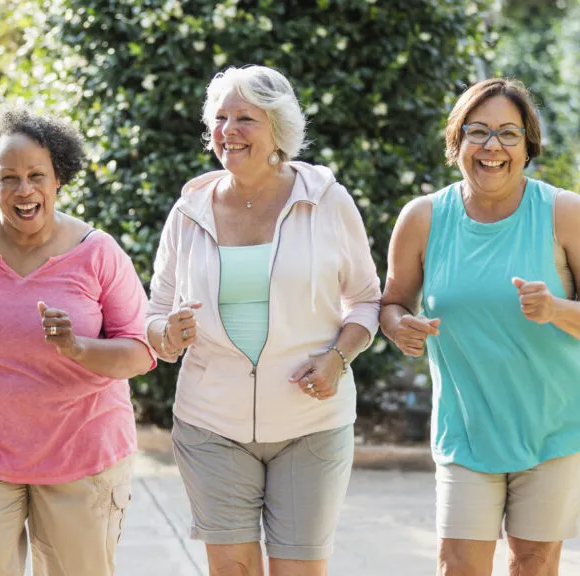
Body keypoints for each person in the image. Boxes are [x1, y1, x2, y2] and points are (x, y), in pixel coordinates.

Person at [379, 78, 580, 576]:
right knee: (458, 564)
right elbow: (391, 303)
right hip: (466, 425)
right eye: (478, 132)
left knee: (532, 561)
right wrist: (400, 327)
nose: (492, 147)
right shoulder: (423, 218)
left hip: (554, 423)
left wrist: (556, 309)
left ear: (528, 146)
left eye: (509, 134)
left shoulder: (563, 211)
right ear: (457, 142)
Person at [145, 65, 381, 576]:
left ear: (278, 130)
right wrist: (166, 334)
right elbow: (154, 313)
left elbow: (365, 300)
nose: (229, 130)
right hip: (211, 421)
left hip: (311, 422)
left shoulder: (326, 201)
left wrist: (338, 359)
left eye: (245, 118)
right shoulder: (188, 212)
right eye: (221, 118)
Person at [0, 104, 155, 576]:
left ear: (58, 178)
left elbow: (141, 352)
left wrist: (78, 348)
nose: (24, 190)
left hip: (83, 452)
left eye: (36, 175)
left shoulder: (97, 253)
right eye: (8, 178)